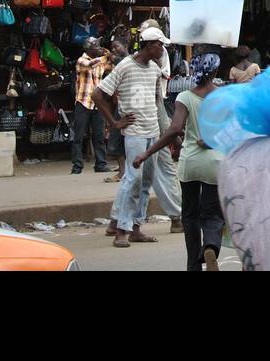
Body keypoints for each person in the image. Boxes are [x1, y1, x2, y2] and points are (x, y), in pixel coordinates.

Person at [133, 53, 225, 271]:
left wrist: (147, 154)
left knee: (190, 216)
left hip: (190, 163)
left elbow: (174, 129)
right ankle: (210, 246)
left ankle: (193, 265)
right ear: (214, 73)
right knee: (212, 214)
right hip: (214, 164)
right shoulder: (223, 97)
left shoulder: (184, 97)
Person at [95, 31, 170, 248]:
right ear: (148, 45)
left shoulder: (155, 69)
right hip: (135, 132)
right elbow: (98, 95)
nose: (162, 50)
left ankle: (136, 228)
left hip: (152, 131)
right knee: (132, 180)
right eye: (159, 45)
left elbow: (157, 101)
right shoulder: (125, 66)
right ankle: (122, 230)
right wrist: (114, 123)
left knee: (146, 182)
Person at [71, 42, 112, 175]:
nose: (99, 48)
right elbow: (90, 65)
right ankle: (77, 166)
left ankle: (101, 164)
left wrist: (108, 55)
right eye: (96, 46)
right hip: (83, 102)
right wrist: (106, 56)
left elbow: (112, 68)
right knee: (78, 136)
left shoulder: (100, 63)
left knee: (99, 135)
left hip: (97, 104)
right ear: (88, 49)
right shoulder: (82, 61)